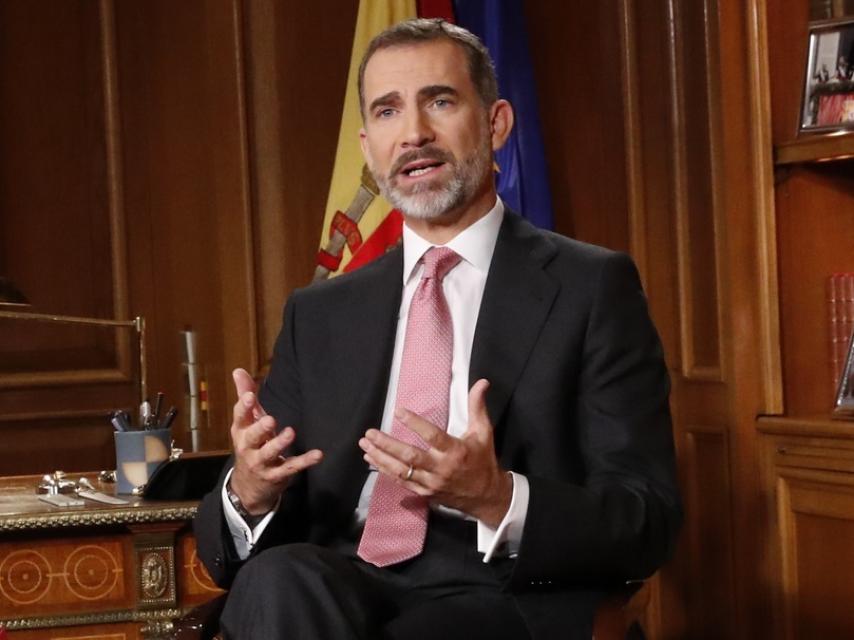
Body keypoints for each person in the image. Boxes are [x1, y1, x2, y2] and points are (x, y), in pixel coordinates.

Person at [194, 18, 681, 640]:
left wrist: (495, 496)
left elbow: (647, 517)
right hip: (344, 583)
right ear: (369, 147)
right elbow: (229, 546)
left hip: (501, 589)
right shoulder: (318, 314)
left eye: (440, 101)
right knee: (276, 580)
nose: (414, 134)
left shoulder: (591, 287)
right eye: (388, 111)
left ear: (496, 123)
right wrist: (250, 490)